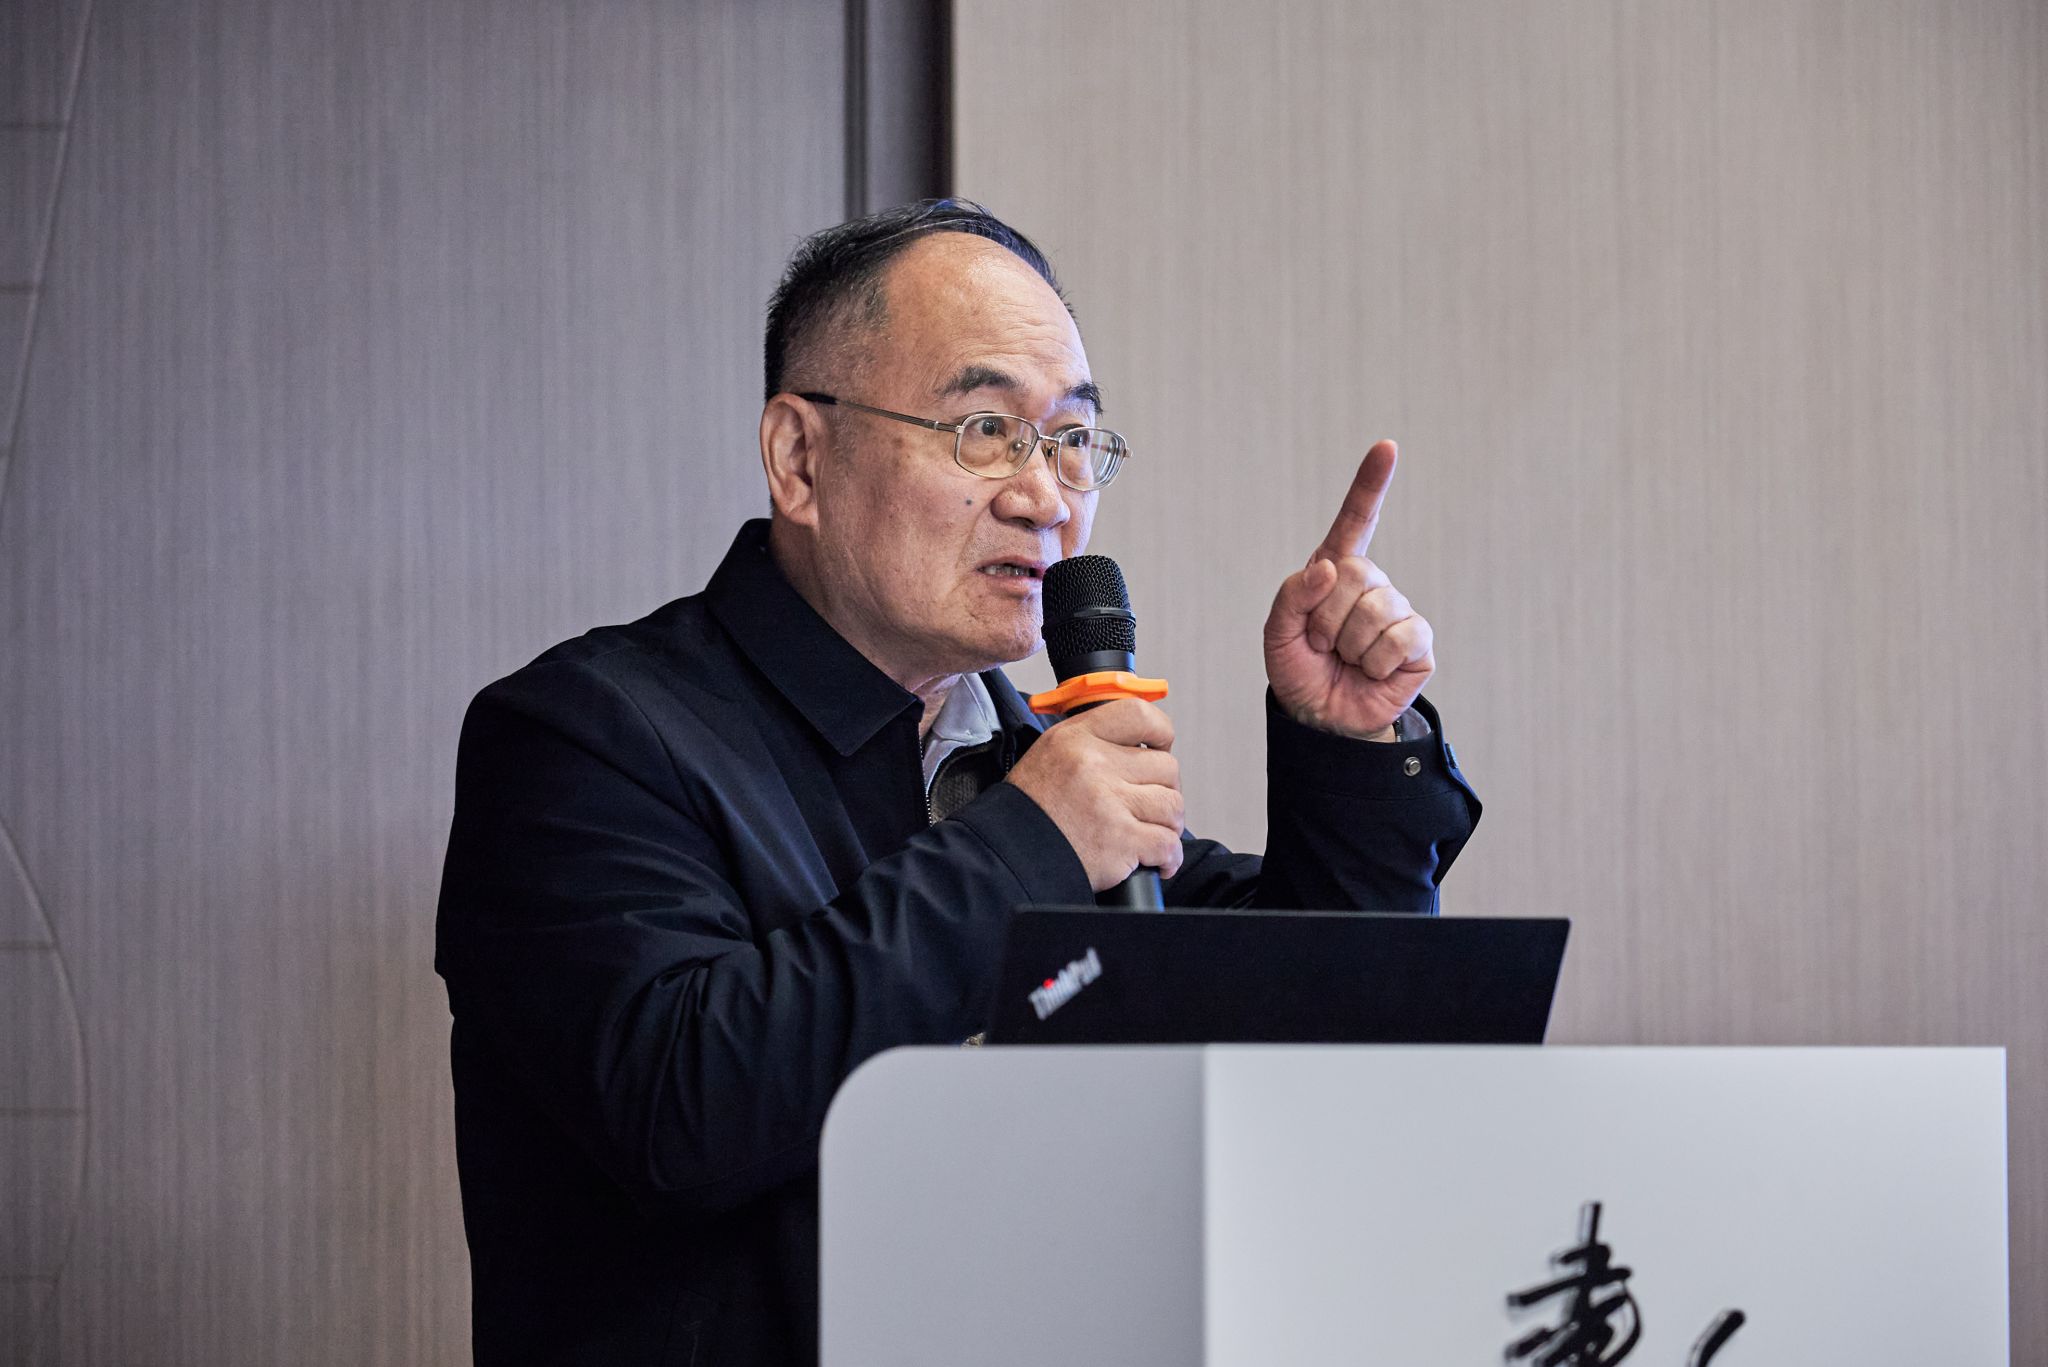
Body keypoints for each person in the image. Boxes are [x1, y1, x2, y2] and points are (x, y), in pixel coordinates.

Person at [435, 200, 1480, 1367]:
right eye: (984, 429)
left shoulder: (1038, 768)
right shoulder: (584, 736)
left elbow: (1333, 1040)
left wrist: (1345, 746)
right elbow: (682, 1107)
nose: (1047, 497)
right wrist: (1028, 843)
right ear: (799, 457)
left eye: (1071, 438)